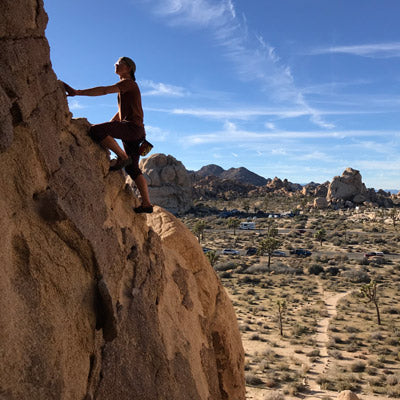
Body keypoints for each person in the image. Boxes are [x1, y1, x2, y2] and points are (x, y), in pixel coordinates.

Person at [62, 57, 153, 214]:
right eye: (115, 63)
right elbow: (120, 112)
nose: (115, 65)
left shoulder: (128, 83)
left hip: (131, 129)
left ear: (129, 68)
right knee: (133, 169)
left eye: (119, 63)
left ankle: (122, 157)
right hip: (136, 131)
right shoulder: (129, 87)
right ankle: (146, 204)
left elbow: (104, 90)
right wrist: (110, 124)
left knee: (95, 131)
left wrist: (78, 92)